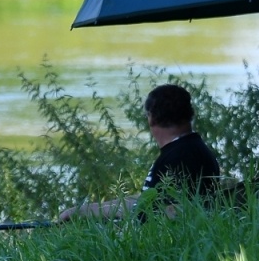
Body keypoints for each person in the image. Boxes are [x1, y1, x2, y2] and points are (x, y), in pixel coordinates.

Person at [57, 84, 221, 222]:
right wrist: (83, 211)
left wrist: (85, 213)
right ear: (189, 115)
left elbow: (172, 211)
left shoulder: (181, 157)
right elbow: (148, 200)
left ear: (151, 117)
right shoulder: (187, 149)